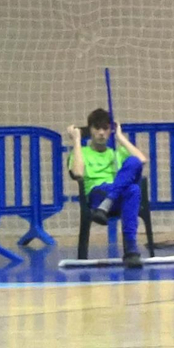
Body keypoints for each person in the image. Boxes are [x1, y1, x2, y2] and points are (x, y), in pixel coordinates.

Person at [66, 109, 148, 269]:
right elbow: (77, 172)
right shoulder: (81, 152)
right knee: (132, 190)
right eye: (97, 128)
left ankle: (130, 249)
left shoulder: (116, 153)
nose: (101, 133)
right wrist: (76, 141)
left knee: (133, 172)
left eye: (105, 128)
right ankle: (131, 249)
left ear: (110, 130)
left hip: (112, 201)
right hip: (97, 195)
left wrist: (120, 137)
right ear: (90, 130)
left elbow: (141, 160)